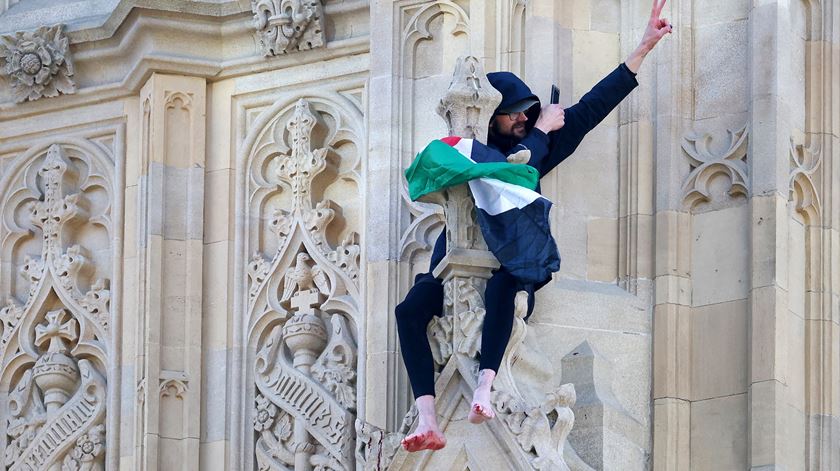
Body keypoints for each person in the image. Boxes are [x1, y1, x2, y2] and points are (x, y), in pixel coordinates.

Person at [397, 0, 674, 453]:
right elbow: (497, 167)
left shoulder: (532, 147)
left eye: (529, 109)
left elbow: (588, 111)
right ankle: (428, 416)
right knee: (409, 310)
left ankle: (484, 389)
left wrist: (641, 48)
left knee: (506, 289)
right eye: (514, 112)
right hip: (453, 259)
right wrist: (541, 132)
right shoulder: (470, 151)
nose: (524, 117)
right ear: (492, 117)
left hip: (511, 257)